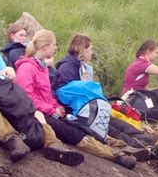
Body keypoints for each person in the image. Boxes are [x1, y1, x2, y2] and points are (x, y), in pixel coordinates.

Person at [0, 16, 84, 166]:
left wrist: (11, 73)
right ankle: (12, 141)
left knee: (34, 111)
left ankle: (53, 144)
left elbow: (11, 80)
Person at [15, 30, 139, 169]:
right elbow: (26, 97)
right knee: (75, 134)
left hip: (48, 110)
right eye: (54, 45)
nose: (56, 48)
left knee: (80, 124)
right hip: (37, 113)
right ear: (45, 47)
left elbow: (47, 95)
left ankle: (119, 146)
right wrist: (52, 109)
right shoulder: (27, 67)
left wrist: (56, 106)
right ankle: (114, 155)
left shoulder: (42, 67)